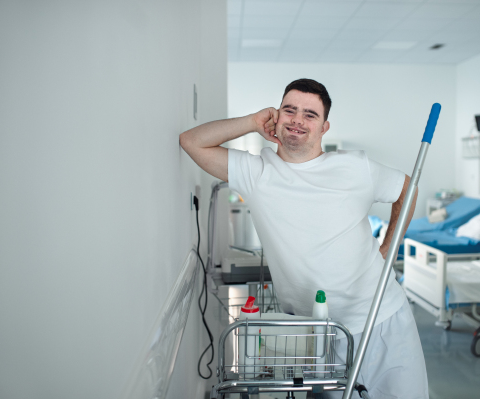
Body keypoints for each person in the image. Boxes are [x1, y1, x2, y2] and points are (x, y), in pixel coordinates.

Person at [180, 78, 428, 399]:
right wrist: (251, 122)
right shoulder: (256, 172)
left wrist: (386, 248)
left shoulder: (355, 167)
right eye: (289, 110)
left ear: (324, 127)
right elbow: (191, 142)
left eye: (310, 114)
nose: (298, 120)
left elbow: (408, 190)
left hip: (382, 317)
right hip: (314, 334)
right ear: (276, 117)